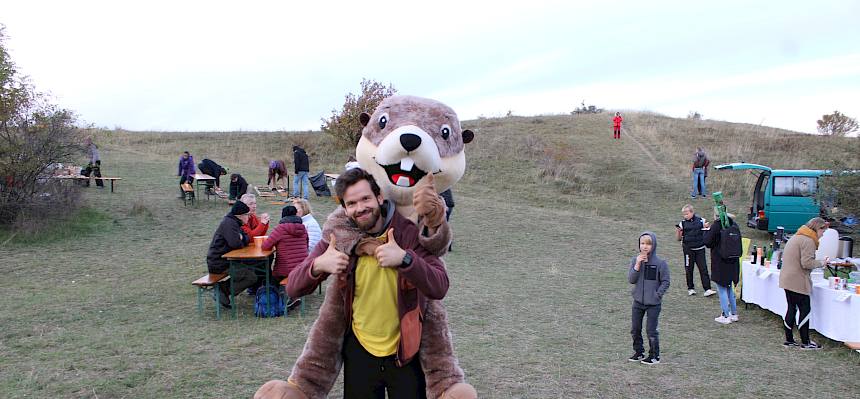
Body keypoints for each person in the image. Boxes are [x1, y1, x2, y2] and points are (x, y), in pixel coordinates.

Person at [286, 168, 448, 397]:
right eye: (351, 203)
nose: (360, 208)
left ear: (379, 197)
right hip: (359, 351)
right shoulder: (339, 238)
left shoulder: (407, 233)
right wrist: (318, 265)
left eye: (365, 199)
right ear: (344, 208)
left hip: (405, 352)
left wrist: (405, 259)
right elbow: (293, 286)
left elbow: (440, 285)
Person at [778, 217, 830, 349]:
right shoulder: (808, 241)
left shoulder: (797, 236)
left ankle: (789, 340)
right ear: (818, 228)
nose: (822, 236)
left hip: (787, 278)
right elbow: (806, 263)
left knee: (791, 308)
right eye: (822, 232)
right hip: (797, 280)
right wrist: (822, 263)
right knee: (805, 309)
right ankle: (805, 342)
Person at [628, 232, 670, 365]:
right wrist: (637, 266)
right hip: (638, 302)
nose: (645, 247)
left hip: (653, 304)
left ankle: (654, 356)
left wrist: (657, 294)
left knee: (651, 330)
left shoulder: (660, 263)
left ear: (653, 245)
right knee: (635, 328)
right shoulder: (635, 261)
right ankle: (639, 352)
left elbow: (665, 281)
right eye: (642, 243)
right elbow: (631, 279)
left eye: (648, 244)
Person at [206, 201, 256, 308]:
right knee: (250, 276)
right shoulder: (229, 224)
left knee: (252, 269)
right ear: (240, 215)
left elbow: (245, 237)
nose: (249, 217)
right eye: (247, 215)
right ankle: (222, 290)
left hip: (227, 260)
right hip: (219, 262)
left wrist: (242, 238)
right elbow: (236, 243)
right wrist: (242, 239)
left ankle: (222, 291)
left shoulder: (234, 223)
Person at [262, 205, 308, 309]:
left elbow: (265, 246)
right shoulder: (303, 228)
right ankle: (291, 294)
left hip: (285, 269)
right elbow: (306, 243)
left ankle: (283, 298)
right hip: (303, 267)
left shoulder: (280, 229)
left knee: (272, 279)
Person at [702, 213, 740, 325]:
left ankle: (725, 315)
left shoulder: (717, 225)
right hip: (733, 261)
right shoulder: (734, 225)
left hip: (720, 261)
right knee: (729, 287)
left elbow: (707, 242)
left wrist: (705, 231)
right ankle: (734, 313)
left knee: (722, 288)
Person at [676, 204, 715, 297]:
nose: (685, 216)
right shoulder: (682, 224)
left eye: (687, 213)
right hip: (688, 250)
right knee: (689, 269)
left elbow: (707, 232)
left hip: (700, 249)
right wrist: (679, 232)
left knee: (703, 269)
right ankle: (690, 288)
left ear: (692, 212)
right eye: (684, 214)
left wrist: (706, 227)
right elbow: (678, 239)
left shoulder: (702, 221)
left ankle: (707, 289)